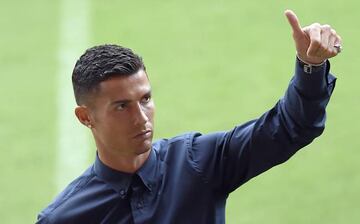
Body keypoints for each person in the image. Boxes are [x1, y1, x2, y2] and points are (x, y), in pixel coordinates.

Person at [36, 10, 342, 223]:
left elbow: (290, 128)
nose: (141, 118)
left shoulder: (199, 162)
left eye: (145, 99)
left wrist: (310, 66)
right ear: (85, 117)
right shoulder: (62, 218)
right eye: (122, 106)